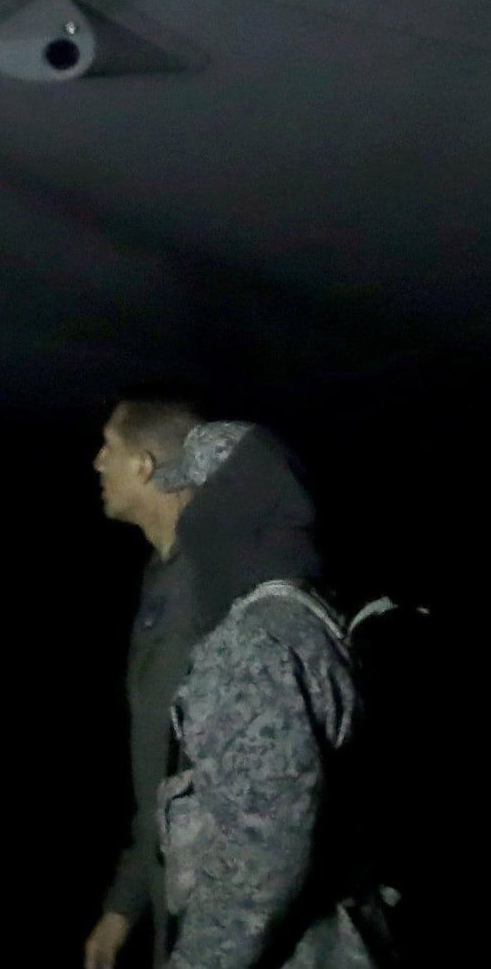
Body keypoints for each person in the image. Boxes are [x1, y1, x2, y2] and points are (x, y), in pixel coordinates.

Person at [93, 404, 379, 969]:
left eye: (201, 496)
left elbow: (259, 867)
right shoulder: (290, 613)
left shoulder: (255, 639)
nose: (189, 512)